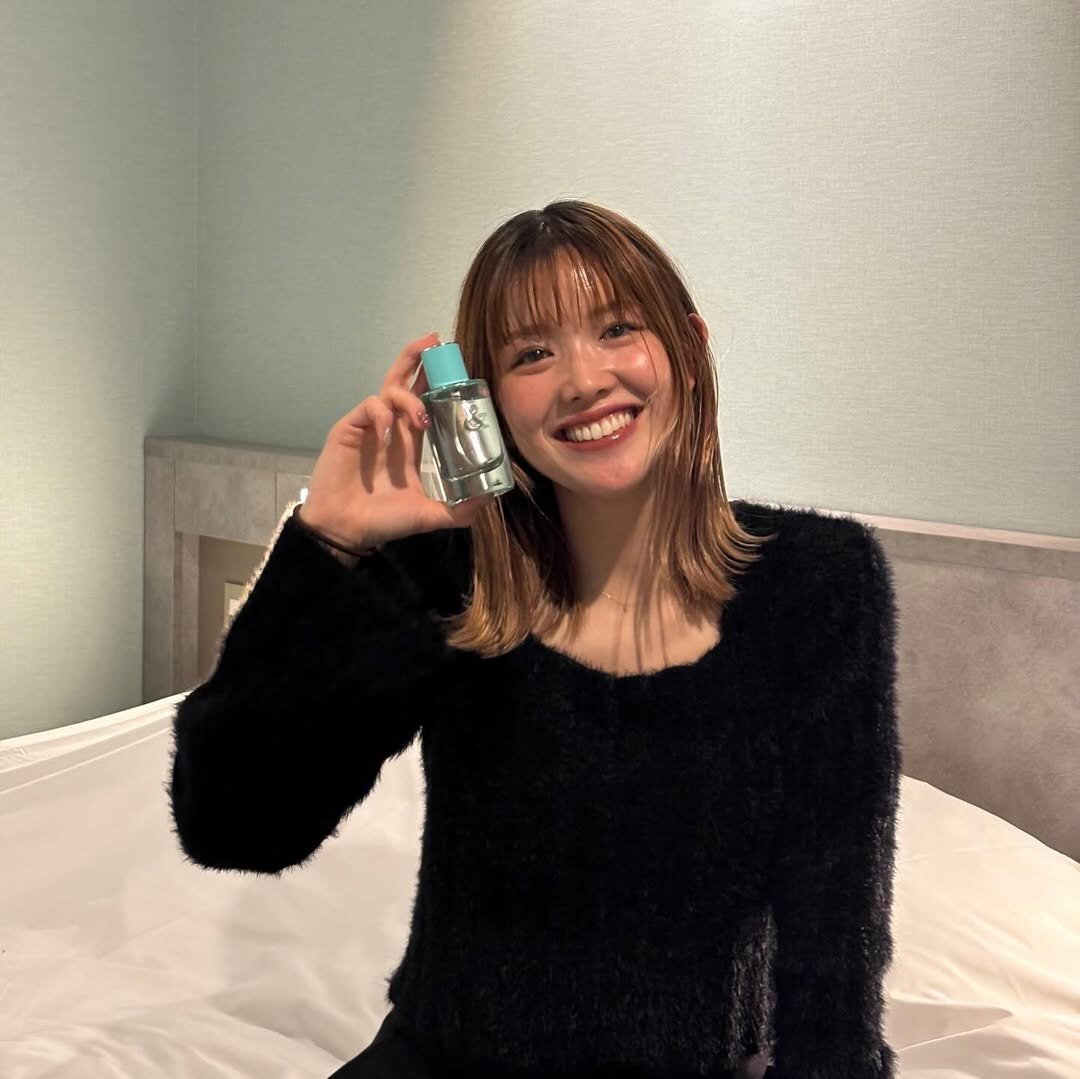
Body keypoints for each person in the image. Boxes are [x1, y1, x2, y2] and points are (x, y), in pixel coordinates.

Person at [167, 200, 902, 1079]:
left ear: (690, 345)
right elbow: (235, 824)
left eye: (617, 328)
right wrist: (327, 545)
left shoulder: (818, 582)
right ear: (483, 401)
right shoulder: (451, 573)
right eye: (531, 354)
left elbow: (835, 931)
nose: (583, 379)